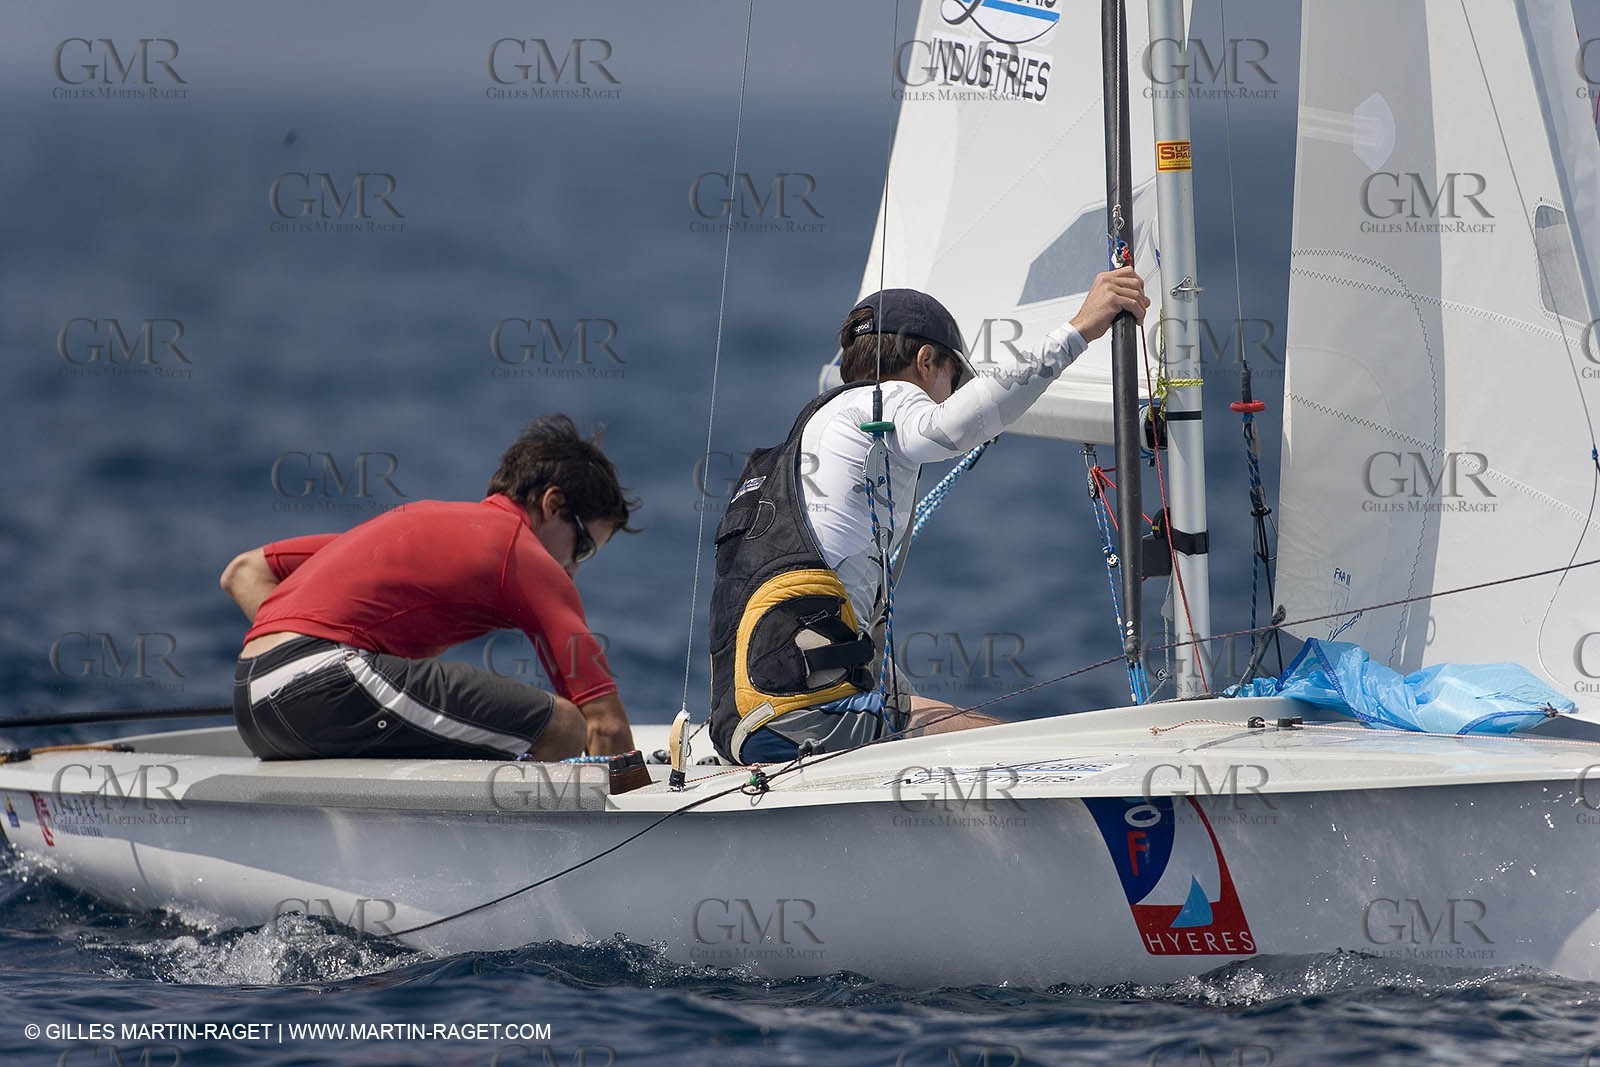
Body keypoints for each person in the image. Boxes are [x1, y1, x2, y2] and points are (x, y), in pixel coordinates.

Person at [709, 267, 1149, 763]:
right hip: (798, 718)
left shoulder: (808, 442)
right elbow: (951, 425)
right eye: (954, 379)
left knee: (940, 716)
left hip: (746, 722)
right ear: (925, 361)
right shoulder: (881, 400)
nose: (952, 393)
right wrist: (1079, 330)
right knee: (1014, 749)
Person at [221, 414, 638, 762]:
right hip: (318, 687)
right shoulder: (520, 550)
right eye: (581, 549)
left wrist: (298, 675)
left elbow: (243, 571)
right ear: (553, 505)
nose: (571, 571)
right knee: (562, 725)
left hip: (252, 700)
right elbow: (605, 723)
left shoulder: (416, 523)